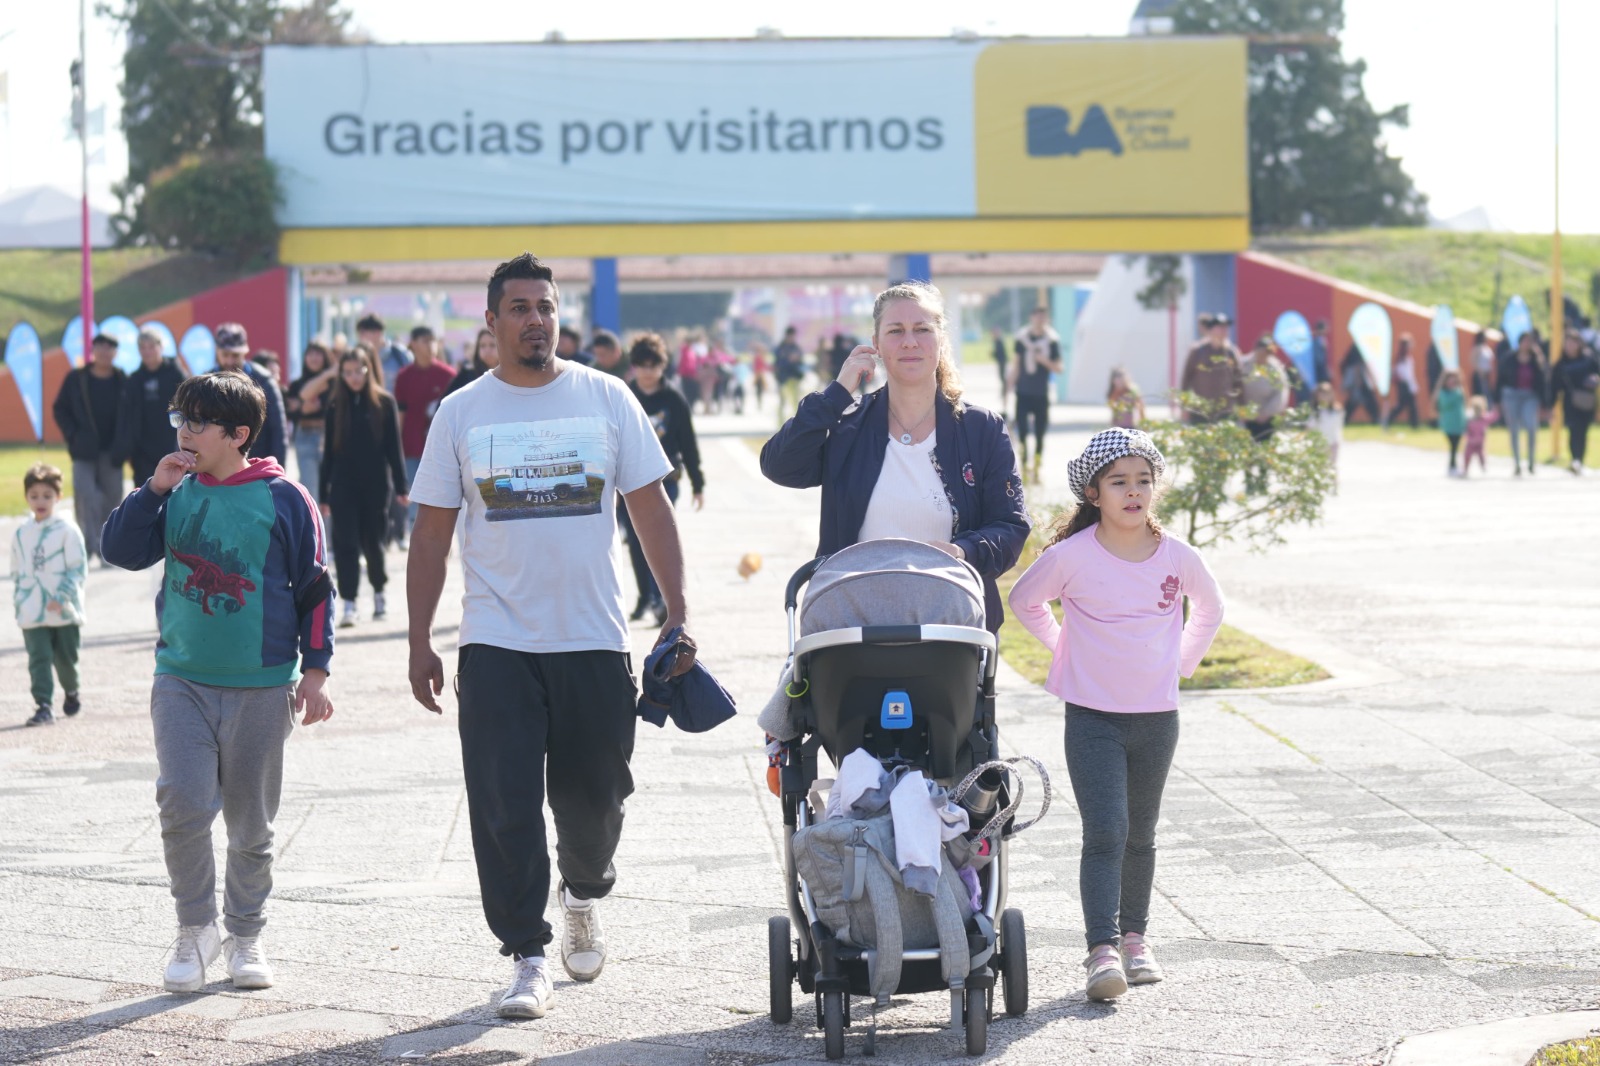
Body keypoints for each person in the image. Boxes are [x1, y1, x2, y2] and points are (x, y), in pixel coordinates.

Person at [406, 252, 690, 1021]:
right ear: (492, 322)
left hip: (592, 639)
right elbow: (430, 538)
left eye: (546, 305)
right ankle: (526, 953)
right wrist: (418, 640)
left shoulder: (607, 396)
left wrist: (677, 607)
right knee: (502, 803)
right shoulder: (461, 413)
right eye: (521, 307)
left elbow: (650, 508)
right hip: (495, 640)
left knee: (595, 799)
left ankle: (584, 889)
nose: (536, 318)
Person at [100, 370, 334, 996]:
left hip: (262, 685)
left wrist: (316, 672)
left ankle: (246, 932)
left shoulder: (286, 497)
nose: (184, 431)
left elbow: (314, 587)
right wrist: (151, 489)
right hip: (180, 677)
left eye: (197, 422)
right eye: (180, 419)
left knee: (250, 823)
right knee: (181, 802)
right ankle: (195, 928)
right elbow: (119, 551)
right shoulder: (172, 490)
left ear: (238, 435)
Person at [1006, 427, 1223, 1003]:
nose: (1133, 492)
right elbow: (1023, 600)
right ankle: (1101, 950)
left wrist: (1181, 662)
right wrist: (1063, 651)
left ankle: (1136, 940)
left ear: (1156, 489)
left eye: (1143, 481)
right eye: (1119, 482)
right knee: (1106, 831)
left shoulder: (1178, 555)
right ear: (1094, 493)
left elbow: (1211, 607)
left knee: (1142, 835)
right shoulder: (1071, 556)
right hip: (1093, 718)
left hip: (1157, 717)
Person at [762, 281, 1028, 634]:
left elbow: (1010, 527)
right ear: (875, 344)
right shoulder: (848, 427)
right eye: (895, 331)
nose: (909, 342)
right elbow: (780, 466)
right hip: (852, 623)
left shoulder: (981, 429)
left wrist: (960, 552)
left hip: (952, 624)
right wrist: (836, 394)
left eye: (922, 329)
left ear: (941, 339)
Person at [618, 333, 705, 623]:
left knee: (655, 537)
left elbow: (688, 443)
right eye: (641, 365)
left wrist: (698, 483)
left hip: (665, 480)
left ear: (662, 366)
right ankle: (645, 597)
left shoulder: (673, 399)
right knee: (634, 540)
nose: (647, 371)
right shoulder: (624, 396)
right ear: (634, 366)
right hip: (626, 482)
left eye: (653, 364)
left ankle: (659, 601)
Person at [320, 348, 408, 627]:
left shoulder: (384, 403)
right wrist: (324, 494)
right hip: (344, 487)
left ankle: (379, 592)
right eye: (347, 372)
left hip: (376, 485)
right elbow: (328, 455)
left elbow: (394, 448)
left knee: (374, 542)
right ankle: (349, 603)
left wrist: (402, 485)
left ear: (368, 370)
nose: (354, 377)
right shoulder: (336, 406)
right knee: (345, 543)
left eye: (358, 371)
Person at [14, 463, 87, 727]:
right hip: (32, 610)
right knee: (38, 658)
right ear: (27, 498)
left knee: (65, 659)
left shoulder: (67, 531)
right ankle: (43, 704)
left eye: (46, 495)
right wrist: (21, 601)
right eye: (34, 496)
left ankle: (71, 689)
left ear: (57, 496)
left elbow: (77, 568)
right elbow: (17, 570)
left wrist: (62, 596)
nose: (40, 501)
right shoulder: (22, 533)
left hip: (63, 611)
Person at [51, 333, 126, 563]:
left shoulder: (123, 380)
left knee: (113, 498)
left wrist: (126, 444)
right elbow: (59, 408)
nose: (104, 352)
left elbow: (132, 415)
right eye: (100, 347)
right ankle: (87, 544)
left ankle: (107, 547)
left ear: (115, 352)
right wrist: (73, 435)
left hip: (113, 450)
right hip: (84, 450)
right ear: (92, 350)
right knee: (85, 496)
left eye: (109, 347)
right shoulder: (76, 378)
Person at [393, 326, 457, 547]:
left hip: (441, 450)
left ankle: (440, 539)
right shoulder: (404, 377)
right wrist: (396, 446)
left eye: (433, 341)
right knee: (413, 495)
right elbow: (400, 414)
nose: (430, 346)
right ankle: (416, 538)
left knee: (440, 497)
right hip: (411, 446)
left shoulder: (449, 376)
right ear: (413, 344)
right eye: (424, 340)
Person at [118, 327, 189, 487]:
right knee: (148, 494)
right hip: (144, 452)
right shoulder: (135, 380)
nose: (147, 351)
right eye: (142, 347)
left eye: (151, 346)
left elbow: (188, 404)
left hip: (173, 443)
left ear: (161, 347)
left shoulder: (175, 373)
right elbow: (127, 416)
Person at [213, 324, 288, 468]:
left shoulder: (264, 381)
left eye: (235, 355)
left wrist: (277, 471)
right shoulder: (206, 382)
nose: (229, 361)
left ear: (245, 352)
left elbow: (278, 430)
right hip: (217, 468)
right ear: (217, 351)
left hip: (256, 465)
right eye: (225, 354)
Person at [1009, 305, 1064, 482]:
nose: (1040, 320)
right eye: (1037, 316)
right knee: (1023, 432)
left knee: (1040, 433)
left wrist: (1043, 360)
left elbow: (1059, 367)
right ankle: (1025, 467)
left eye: (1043, 317)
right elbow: (1016, 365)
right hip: (1023, 393)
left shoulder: (1052, 341)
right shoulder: (1022, 340)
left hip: (1041, 394)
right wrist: (1008, 385)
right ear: (1032, 317)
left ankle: (1038, 468)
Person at [285, 342, 337, 504]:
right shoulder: (296, 385)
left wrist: (305, 406)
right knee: (310, 491)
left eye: (318, 354)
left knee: (331, 492)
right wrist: (303, 408)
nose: (314, 358)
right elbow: (294, 409)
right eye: (310, 354)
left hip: (329, 437)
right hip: (305, 436)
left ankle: (329, 530)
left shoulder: (335, 384)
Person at [1497, 331, 1548, 476]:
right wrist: (1497, 400)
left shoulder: (1536, 359)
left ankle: (1531, 462)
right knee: (1514, 429)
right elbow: (1500, 379)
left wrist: (1545, 403)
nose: (1526, 344)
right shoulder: (1509, 358)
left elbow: (1543, 381)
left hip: (1530, 396)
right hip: (1511, 396)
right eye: (1524, 341)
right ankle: (1517, 463)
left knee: (1531, 427)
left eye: (1529, 341)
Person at [1179, 312, 1242, 424]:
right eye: (1220, 327)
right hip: (1199, 410)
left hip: (1224, 411)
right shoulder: (1197, 351)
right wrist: (1184, 406)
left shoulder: (1231, 353)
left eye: (1226, 327)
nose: (1224, 330)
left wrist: (1242, 406)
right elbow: (1186, 380)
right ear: (1211, 329)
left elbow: (1238, 381)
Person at [1551, 330, 1599, 474]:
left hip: (1587, 400)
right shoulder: (1561, 363)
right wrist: (1551, 406)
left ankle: (1579, 459)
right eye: (1568, 343)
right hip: (1570, 401)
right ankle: (1575, 459)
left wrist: (1594, 379)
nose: (1570, 346)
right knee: (1573, 429)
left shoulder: (1589, 359)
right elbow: (1555, 386)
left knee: (1583, 430)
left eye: (1573, 342)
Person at [1238, 336, 1289, 441]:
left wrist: (1266, 413)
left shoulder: (1276, 368)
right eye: (1261, 351)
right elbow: (1235, 386)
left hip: (1267, 417)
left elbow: (1281, 392)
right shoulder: (1243, 365)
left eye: (1266, 352)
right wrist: (1242, 410)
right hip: (1246, 416)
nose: (1263, 355)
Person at [356, 313, 412, 388]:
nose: (360, 337)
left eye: (363, 333)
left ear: (377, 332)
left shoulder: (399, 354)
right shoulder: (360, 356)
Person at [1310, 382, 1344, 492]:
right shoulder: (1315, 413)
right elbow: (1309, 428)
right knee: (1318, 465)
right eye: (1322, 395)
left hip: (1333, 442)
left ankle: (1334, 486)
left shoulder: (1337, 411)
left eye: (1327, 394)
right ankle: (1317, 486)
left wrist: (1338, 440)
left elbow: (1338, 427)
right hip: (1319, 443)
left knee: (1332, 465)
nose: (1324, 397)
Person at [1382, 333, 1420, 430]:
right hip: (1404, 385)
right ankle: (1388, 420)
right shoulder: (1401, 358)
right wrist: (1411, 385)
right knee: (1402, 406)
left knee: (1411, 406)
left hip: (1408, 384)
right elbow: (1404, 374)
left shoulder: (1407, 357)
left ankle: (1414, 424)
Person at [446, 328, 500, 396]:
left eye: (492, 345)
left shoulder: (509, 375)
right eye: (482, 346)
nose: (487, 350)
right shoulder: (467, 374)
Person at [1434, 369, 1467, 477]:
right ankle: (1452, 466)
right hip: (1449, 424)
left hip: (1458, 423)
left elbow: (1463, 406)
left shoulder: (1459, 391)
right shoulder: (1443, 393)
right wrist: (1454, 394)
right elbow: (1444, 405)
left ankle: (1454, 465)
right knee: (1452, 446)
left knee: (1456, 446)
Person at [1340, 344, 1381, 426]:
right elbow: (1357, 367)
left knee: (1353, 403)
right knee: (1365, 402)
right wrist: (1358, 383)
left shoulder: (1355, 351)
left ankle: (1343, 420)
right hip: (1359, 382)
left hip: (1358, 382)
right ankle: (1376, 419)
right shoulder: (1358, 350)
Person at [773, 325, 805, 424]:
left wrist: (796, 359)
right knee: (783, 402)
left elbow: (801, 362)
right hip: (783, 378)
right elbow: (777, 363)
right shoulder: (781, 348)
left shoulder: (796, 347)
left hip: (794, 378)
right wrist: (788, 360)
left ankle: (795, 423)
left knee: (795, 402)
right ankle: (781, 424)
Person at [1461, 396, 1493, 477]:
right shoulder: (1469, 419)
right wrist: (1468, 438)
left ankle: (1483, 466)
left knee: (1481, 455)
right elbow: (1466, 431)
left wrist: (1497, 410)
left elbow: (1493, 417)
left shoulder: (1483, 418)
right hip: (1471, 442)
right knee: (1467, 455)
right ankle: (1465, 469)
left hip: (1480, 442)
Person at [1471, 329, 1496, 399]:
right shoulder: (1477, 348)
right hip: (1480, 375)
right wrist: (1480, 372)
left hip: (1487, 375)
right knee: (1481, 395)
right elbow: (1473, 361)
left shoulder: (1486, 348)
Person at [991, 326, 1010, 406]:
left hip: (1002, 362)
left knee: (1003, 379)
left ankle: (1004, 393)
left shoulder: (999, 341)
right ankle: (1003, 392)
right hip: (1001, 362)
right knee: (1002, 379)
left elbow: (1000, 353)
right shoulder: (996, 341)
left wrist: (993, 354)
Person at [1311, 319, 1331, 386]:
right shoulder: (1317, 342)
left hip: (1322, 372)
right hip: (1319, 373)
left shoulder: (1323, 341)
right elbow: (1319, 360)